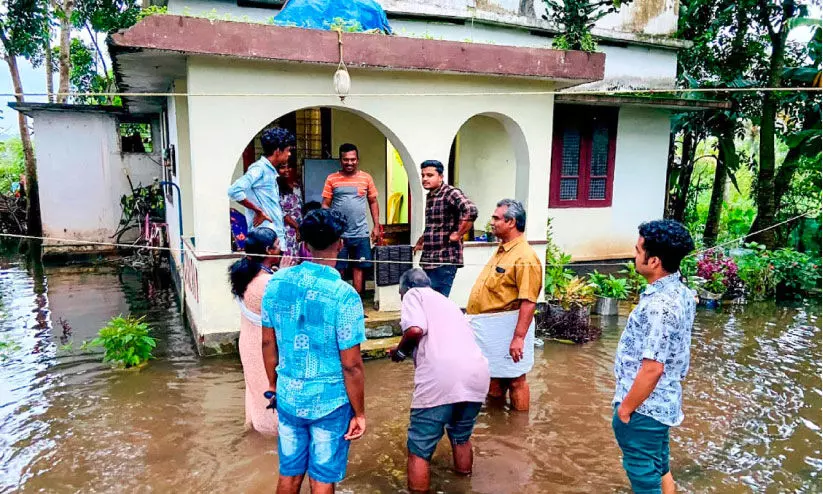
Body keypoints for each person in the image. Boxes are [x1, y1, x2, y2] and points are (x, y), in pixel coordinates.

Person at [261, 208, 367, 494]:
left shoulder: (276, 283)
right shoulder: (344, 296)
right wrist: (360, 413)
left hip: (288, 395)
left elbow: (268, 343)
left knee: (290, 473)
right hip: (330, 402)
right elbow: (352, 365)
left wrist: (273, 384)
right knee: (322, 478)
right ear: (340, 242)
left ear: (303, 243)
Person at [612, 220, 695, 494]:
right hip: (663, 403)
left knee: (644, 478)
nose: (634, 256)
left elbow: (653, 368)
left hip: (644, 408)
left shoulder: (660, 306)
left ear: (655, 260)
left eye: (638, 251)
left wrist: (625, 409)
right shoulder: (680, 291)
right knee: (660, 467)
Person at [390, 268, 490, 494]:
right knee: (461, 438)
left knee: (419, 449)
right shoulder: (447, 303)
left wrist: (400, 353)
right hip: (476, 375)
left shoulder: (413, 295)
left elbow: (415, 330)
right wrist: (403, 348)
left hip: (442, 379)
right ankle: (464, 484)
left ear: (405, 289)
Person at [466, 199, 542, 411]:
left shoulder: (525, 256)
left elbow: (529, 301)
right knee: (494, 381)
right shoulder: (503, 249)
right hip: (489, 328)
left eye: (496, 218)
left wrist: (518, 337)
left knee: (516, 380)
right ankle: (498, 428)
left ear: (511, 222)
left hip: (508, 328)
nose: (491, 222)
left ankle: (520, 431)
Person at [228, 227, 282, 435]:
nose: (281, 248)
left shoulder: (244, 273)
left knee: (254, 388)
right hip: (264, 346)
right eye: (277, 245)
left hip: (248, 342)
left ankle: (256, 428)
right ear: (268, 251)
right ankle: (271, 433)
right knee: (268, 389)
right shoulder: (267, 283)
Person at [321, 143, 381, 294]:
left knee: (359, 267)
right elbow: (325, 205)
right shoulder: (332, 178)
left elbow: (373, 201)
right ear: (340, 160)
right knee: (339, 269)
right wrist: (329, 226)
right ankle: (338, 302)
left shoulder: (366, 178)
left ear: (357, 160)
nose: (349, 162)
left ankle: (357, 304)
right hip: (339, 235)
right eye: (346, 159)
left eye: (353, 159)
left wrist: (376, 226)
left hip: (360, 233)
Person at [413, 160, 478, 297]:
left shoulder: (450, 193)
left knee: (438, 303)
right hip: (429, 260)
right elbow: (434, 225)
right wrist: (421, 241)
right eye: (423, 175)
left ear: (441, 177)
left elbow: (471, 210)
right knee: (427, 301)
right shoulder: (431, 196)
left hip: (445, 259)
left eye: (430, 175)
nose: (425, 179)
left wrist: (458, 234)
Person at [228, 127, 296, 241]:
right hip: (264, 238)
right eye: (287, 150)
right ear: (278, 151)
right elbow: (234, 190)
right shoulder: (259, 169)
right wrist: (258, 211)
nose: (289, 154)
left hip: (274, 235)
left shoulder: (269, 170)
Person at [276, 161, 303, 257]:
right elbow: (280, 212)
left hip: (297, 231)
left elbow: (299, 208)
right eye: (283, 167)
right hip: (285, 230)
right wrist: (296, 227)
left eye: (289, 167)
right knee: (288, 258)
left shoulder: (297, 186)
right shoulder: (275, 188)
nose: (287, 170)